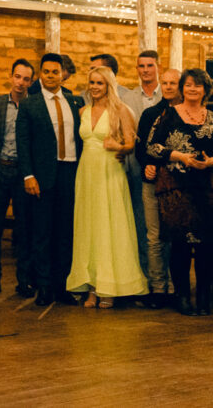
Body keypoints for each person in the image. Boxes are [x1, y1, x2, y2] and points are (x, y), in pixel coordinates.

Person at [66, 66, 147, 307]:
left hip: (110, 172)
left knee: (108, 227)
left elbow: (133, 144)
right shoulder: (82, 110)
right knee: (88, 228)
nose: (94, 87)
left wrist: (118, 148)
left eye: (99, 83)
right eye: (91, 82)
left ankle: (109, 287)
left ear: (108, 85)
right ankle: (92, 287)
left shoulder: (120, 110)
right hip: (86, 173)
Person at [145, 69, 213, 316]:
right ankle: (182, 297)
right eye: (188, 85)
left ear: (205, 90)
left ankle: (203, 298)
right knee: (180, 244)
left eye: (198, 86)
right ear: (182, 88)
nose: (192, 89)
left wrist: (211, 162)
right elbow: (152, 147)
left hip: (205, 186)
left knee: (206, 245)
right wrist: (178, 155)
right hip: (176, 187)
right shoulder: (169, 114)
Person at [16, 52, 83, 307]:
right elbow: (23, 143)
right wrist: (28, 174)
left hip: (70, 171)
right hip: (42, 175)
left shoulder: (72, 101)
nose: (51, 76)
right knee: (42, 232)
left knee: (65, 232)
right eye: (46, 72)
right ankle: (43, 286)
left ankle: (62, 285)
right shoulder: (30, 103)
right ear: (40, 74)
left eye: (56, 72)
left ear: (62, 74)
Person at [0, 58, 35, 298]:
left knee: (23, 228)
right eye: (17, 77)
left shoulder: (34, 106)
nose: (21, 82)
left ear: (31, 82)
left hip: (23, 174)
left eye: (26, 78)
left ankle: (24, 280)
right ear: (11, 76)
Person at [134, 68, 181, 308]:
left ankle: (176, 287)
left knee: (175, 237)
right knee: (154, 237)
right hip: (152, 182)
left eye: (174, 82)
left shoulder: (186, 114)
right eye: (166, 82)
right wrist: (148, 165)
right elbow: (141, 148)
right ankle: (158, 287)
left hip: (178, 184)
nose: (169, 86)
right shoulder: (150, 113)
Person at [119, 50, 163, 283]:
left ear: (158, 67)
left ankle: (165, 276)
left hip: (164, 169)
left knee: (163, 224)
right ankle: (145, 277)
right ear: (137, 69)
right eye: (141, 66)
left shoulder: (167, 95)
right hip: (137, 167)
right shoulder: (128, 98)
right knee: (140, 223)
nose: (145, 70)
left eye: (149, 65)